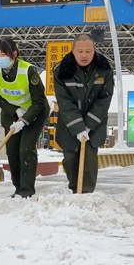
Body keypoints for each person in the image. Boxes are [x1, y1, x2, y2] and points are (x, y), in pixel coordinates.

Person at [54, 33, 114, 194]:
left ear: (94, 50)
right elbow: (64, 101)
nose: (84, 55)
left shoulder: (104, 69)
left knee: (89, 159)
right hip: (69, 124)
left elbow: (104, 99)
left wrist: (88, 126)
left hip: (95, 124)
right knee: (70, 158)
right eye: (80, 51)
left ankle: (86, 194)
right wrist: (79, 127)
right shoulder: (62, 70)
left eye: (88, 51)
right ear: (73, 50)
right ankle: (75, 190)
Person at [0, 38, 49, 198]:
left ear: (14, 54)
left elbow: (39, 101)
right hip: (11, 114)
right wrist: (15, 110)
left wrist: (24, 120)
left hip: (35, 112)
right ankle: (18, 187)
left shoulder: (29, 71)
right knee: (12, 150)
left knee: (26, 149)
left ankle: (27, 190)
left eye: (3, 54)